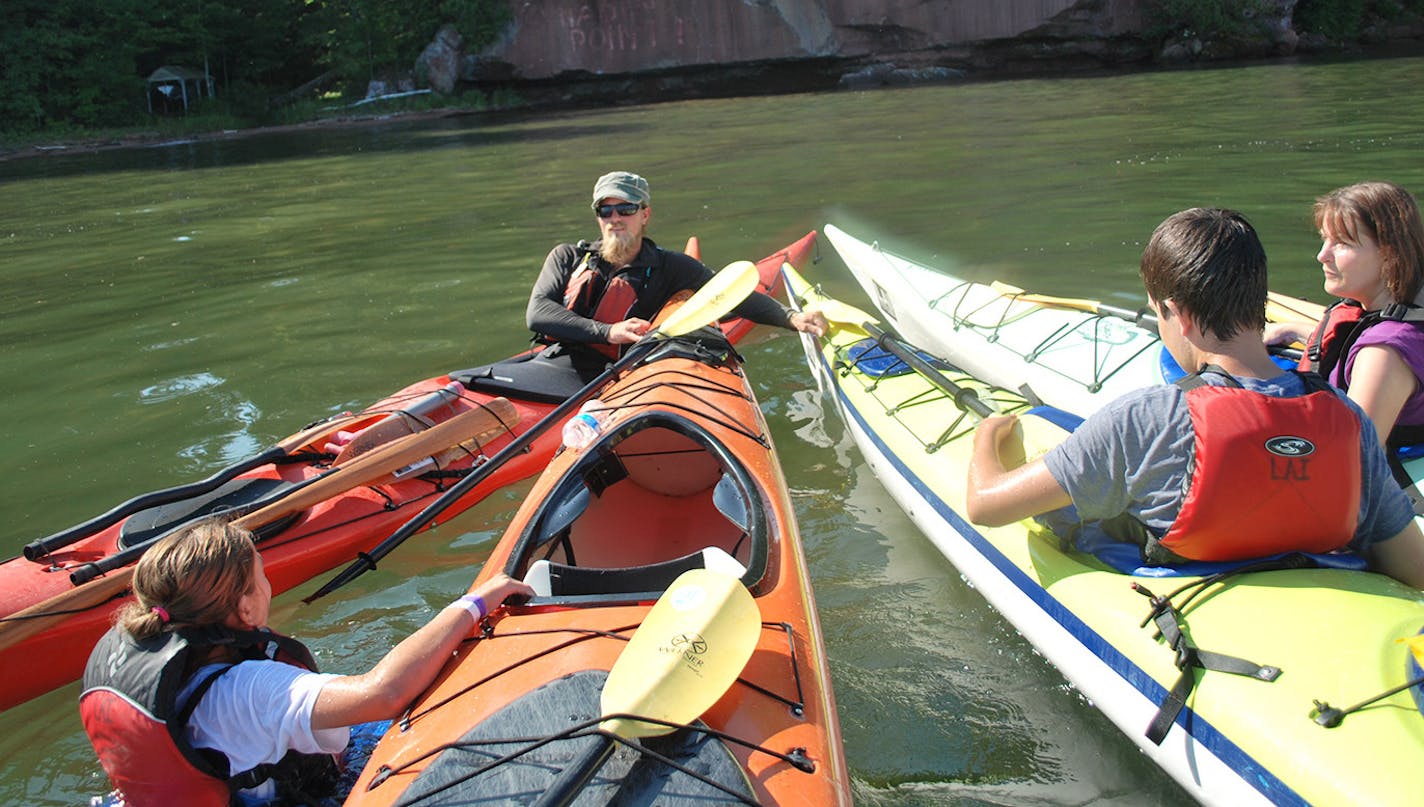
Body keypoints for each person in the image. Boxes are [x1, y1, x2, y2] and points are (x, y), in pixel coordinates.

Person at [964, 207, 1424, 588]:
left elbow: (986, 505)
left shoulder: (1147, 418)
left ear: (1177, 315)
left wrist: (990, 431)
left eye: (1157, 312)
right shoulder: (1348, 421)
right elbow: (1413, 570)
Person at [80, 519, 533, 807]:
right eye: (262, 579)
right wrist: (473, 604)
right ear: (244, 610)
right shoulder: (251, 689)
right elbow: (384, 693)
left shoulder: (142, 654)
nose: (268, 588)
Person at [526, 171, 826, 380]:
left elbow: (730, 296)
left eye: (626, 208)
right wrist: (608, 331)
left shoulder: (671, 267)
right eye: (606, 211)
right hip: (552, 360)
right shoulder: (568, 256)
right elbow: (538, 313)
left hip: (614, 373)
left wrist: (791, 317)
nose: (615, 218)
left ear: (645, 215)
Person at [1266, 181, 1424, 447]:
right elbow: (1355, 334)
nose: (1322, 255)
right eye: (1324, 239)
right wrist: (1290, 330)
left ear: (1389, 254)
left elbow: (1353, 463)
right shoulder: (1399, 307)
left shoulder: (1383, 356)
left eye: (1341, 243)